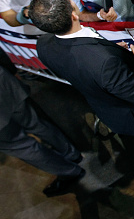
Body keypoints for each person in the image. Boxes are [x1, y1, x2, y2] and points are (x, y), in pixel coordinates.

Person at [30, 0, 134, 180]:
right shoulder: (102, 62)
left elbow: (85, 68)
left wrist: (111, 55)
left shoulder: (43, 45)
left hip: (106, 106)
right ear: (74, 15)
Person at [0, 49, 85, 197]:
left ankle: (69, 171)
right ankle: (71, 153)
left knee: (20, 145)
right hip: (3, 84)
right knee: (35, 122)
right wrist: (11, 71)